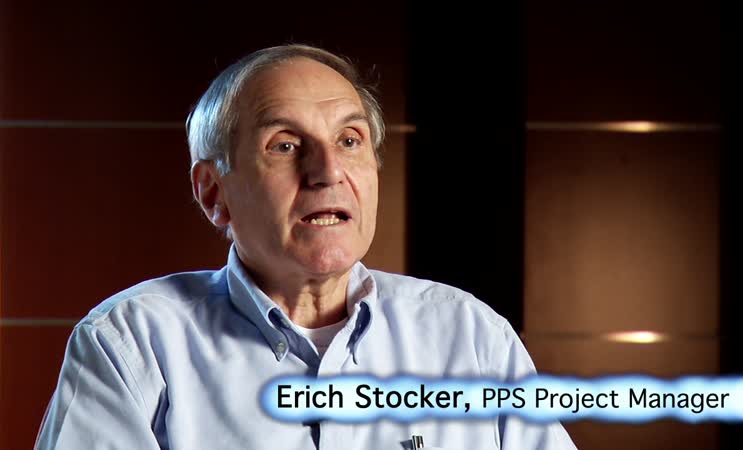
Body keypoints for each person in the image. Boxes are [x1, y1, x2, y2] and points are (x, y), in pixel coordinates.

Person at [35, 44, 577, 449]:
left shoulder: (470, 335)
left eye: (349, 140)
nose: (328, 171)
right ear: (214, 192)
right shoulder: (132, 344)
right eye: (285, 145)